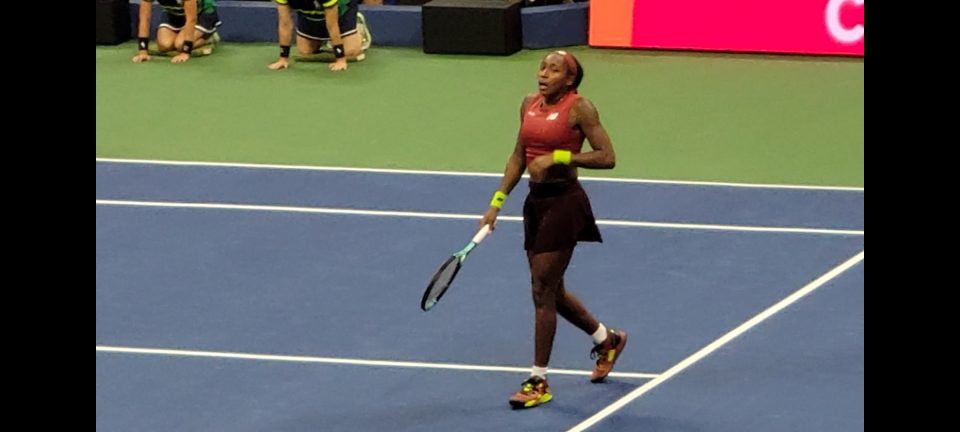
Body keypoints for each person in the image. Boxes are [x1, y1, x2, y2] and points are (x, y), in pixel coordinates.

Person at [478, 51, 627, 410]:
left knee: (541, 288)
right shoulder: (528, 104)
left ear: (570, 80)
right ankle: (607, 340)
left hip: (565, 203)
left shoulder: (581, 109)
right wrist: (496, 203)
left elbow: (607, 156)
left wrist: (561, 156)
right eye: (543, 67)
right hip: (535, 202)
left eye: (554, 70)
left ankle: (538, 380)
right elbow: (518, 156)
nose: (544, 74)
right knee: (552, 291)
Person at [267, 0, 371, 72]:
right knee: (304, 51)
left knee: (351, 51)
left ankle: (358, 26)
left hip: (340, 12)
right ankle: (329, 40)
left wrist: (340, 59)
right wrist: (283, 58)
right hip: (309, 14)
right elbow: (285, 23)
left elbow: (332, 25)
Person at [132, 0, 222, 64]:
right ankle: (184, 35)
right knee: (164, 45)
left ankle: (209, 37)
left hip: (201, 14)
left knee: (180, 45)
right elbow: (144, 17)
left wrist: (185, 52)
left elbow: (191, 19)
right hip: (174, 14)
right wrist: (143, 51)